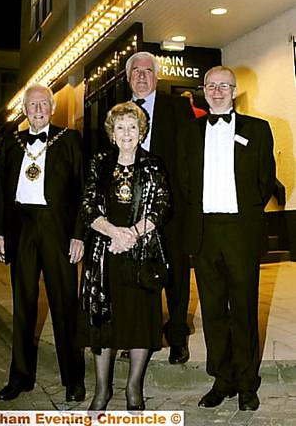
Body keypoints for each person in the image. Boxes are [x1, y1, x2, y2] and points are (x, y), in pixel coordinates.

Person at [178, 65, 276, 411]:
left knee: (245, 310)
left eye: (224, 85)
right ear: (203, 90)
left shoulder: (258, 129)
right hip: (204, 232)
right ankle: (223, 379)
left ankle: (248, 383)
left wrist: (245, 213)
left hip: (241, 232)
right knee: (214, 310)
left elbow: (266, 180)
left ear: (234, 90)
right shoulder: (189, 132)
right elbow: (184, 181)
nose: (217, 90)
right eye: (211, 85)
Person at [0, 84, 85, 403]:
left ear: (52, 107)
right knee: (23, 306)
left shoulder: (70, 139)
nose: (38, 109)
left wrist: (79, 234)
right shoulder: (11, 142)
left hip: (57, 229)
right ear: (25, 110)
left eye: (43, 104)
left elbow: (82, 191)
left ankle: (73, 378)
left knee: (65, 305)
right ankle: (20, 377)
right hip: (21, 229)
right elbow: (2, 192)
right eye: (32, 105)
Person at [78, 102, 170, 411]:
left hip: (141, 253)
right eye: (121, 127)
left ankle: (133, 388)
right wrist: (114, 233)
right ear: (112, 132)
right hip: (104, 254)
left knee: (140, 321)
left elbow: (161, 206)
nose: (127, 133)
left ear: (141, 131)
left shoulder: (153, 164)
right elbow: (88, 205)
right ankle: (102, 390)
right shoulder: (99, 163)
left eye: (132, 127)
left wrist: (132, 234)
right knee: (102, 322)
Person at [125, 51, 194, 364]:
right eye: (136, 71)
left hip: (172, 208)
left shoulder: (177, 106)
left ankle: (177, 336)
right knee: (137, 274)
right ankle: (141, 336)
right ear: (128, 78)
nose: (141, 76)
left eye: (148, 70)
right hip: (131, 209)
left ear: (157, 76)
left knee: (176, 273)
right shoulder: (119, 111)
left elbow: (193, 155)